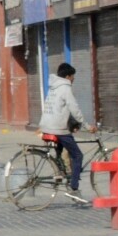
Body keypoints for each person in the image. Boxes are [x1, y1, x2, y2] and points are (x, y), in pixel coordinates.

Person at [40, 62, 87, 196]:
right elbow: (75, 109)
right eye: (73, 76)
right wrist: (86, 125)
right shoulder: (65, 89)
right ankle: (74, 188)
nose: (73, 79)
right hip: (58, 129)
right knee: (78, 155)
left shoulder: (53, 87)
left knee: (60, 154)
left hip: (46, 126)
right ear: (67, 76)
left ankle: (61, 172)